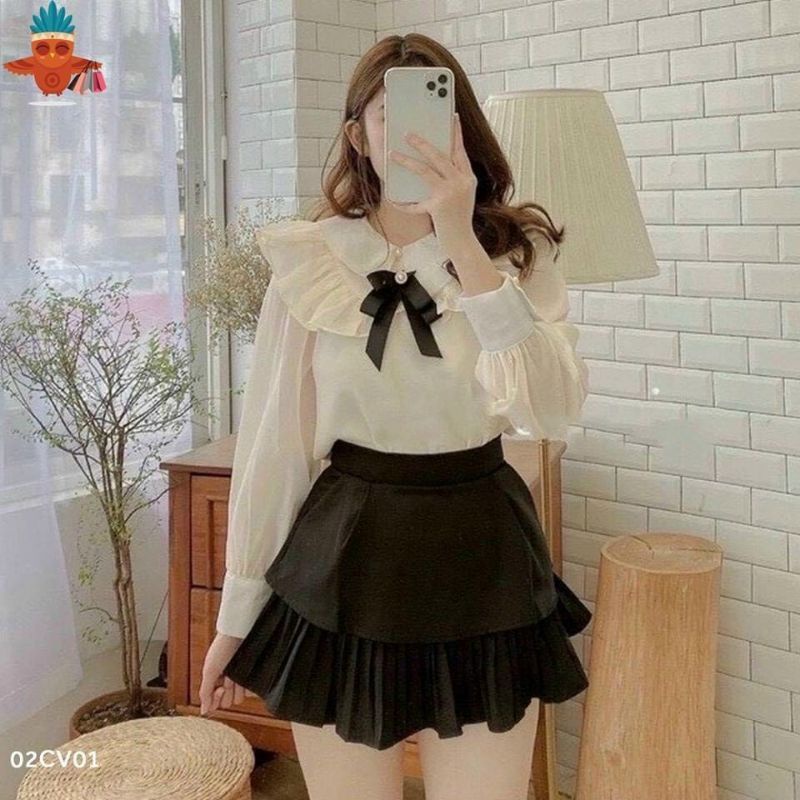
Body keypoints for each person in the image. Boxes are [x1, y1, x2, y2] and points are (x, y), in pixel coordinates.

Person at [199, 32, 592, 800]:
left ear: (463, 129)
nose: (414, 137)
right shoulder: (311, 261)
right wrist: (236, 614)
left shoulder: (517, 254)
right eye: (390, 117)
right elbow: (275, 447)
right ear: (358, 136)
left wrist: (461, 243)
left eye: (434, 116)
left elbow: (549, 409)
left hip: (483, 552)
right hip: (345, 555)